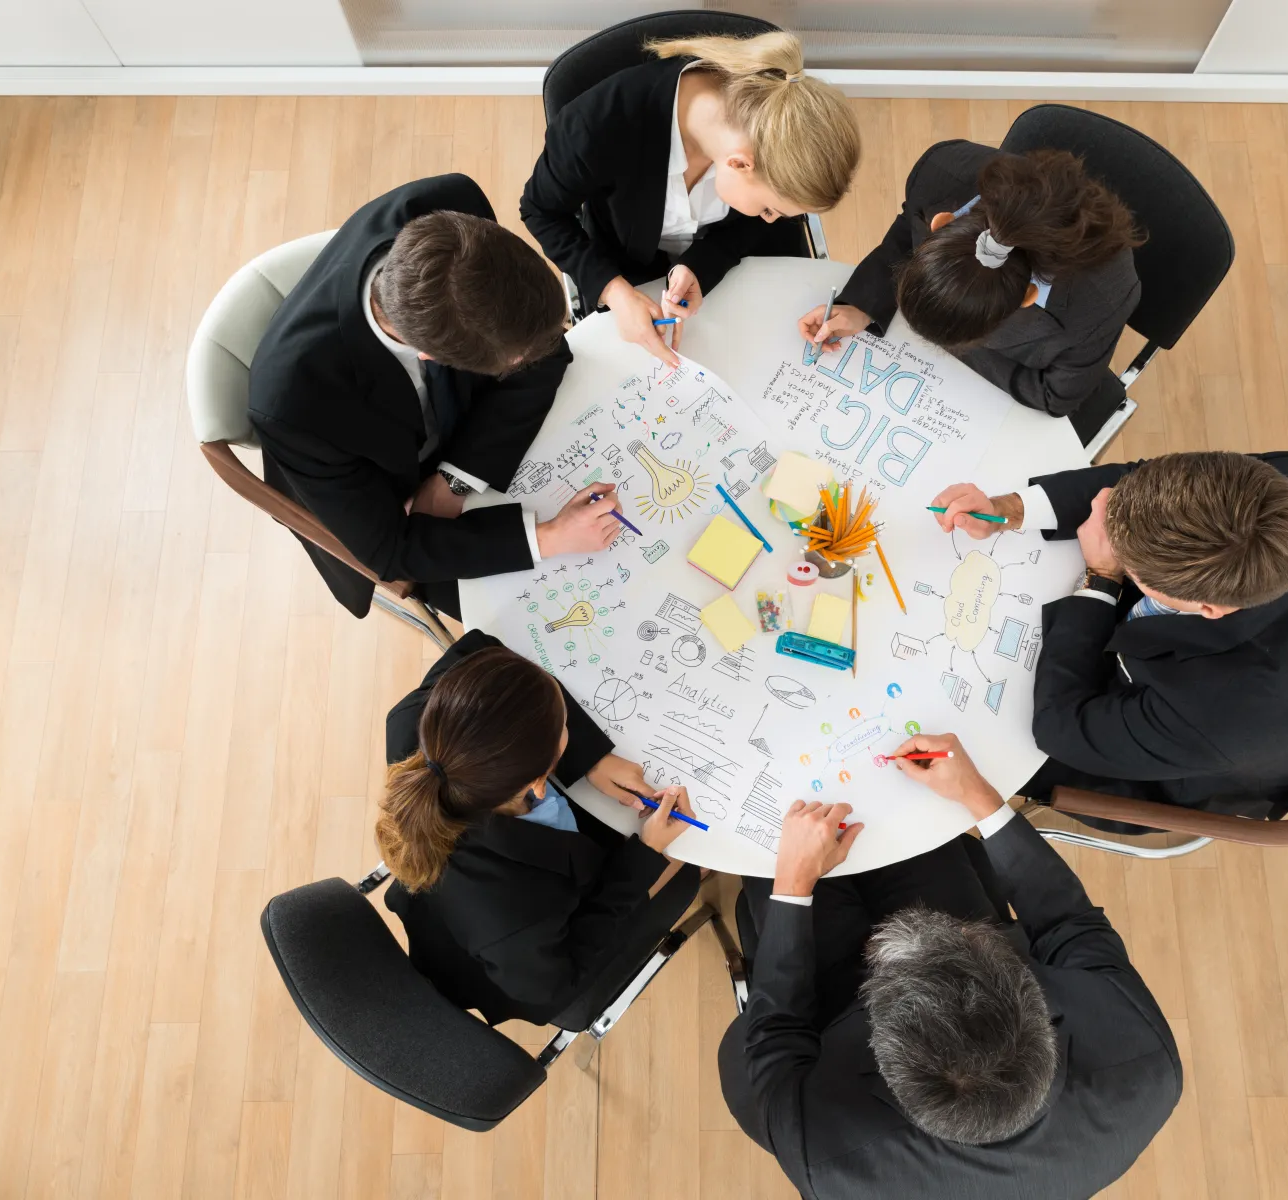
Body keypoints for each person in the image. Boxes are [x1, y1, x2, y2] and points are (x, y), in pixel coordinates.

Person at [718, 732, 1181, 1199]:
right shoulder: (1141, 1059)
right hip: (963, 928)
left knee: (771, 830)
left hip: (829, 1008)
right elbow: (1069, 923)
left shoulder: (830, 1161)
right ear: (1038, 1013)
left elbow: (776, 1029)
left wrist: (793, 883)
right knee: (906, 820)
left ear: (887, 1063)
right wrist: (978, 795)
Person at [249, 174, 626, 622]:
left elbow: (548, 352)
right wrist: (550, 538)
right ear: (431, 357)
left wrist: (453, 482)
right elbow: (390, 550)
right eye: (515, 358)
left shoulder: (448, 204)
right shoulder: (292, 404)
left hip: (461, 433)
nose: (532, 356)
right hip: (386, 496)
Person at [931, 450, 1288, 821]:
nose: (1101, 512)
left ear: (1207, 607)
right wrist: (1009, 510)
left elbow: (1059, 727)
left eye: (1128, 561)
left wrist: (1101, 578)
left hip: (1169, 761)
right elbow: (1138, 484)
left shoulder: (1214, 718)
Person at [377, 631, 701, 1025]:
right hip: (524, 964)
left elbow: (481, 648)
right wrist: (647, 852)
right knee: (684, 861)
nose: (570, 725)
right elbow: (554, 985)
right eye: (565, 726)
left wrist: (592, 758)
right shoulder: (517, 912)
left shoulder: (415, 723)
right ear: (535, 780)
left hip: (476, 904)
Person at [521, 31, 861, 368]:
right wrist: (615, 293)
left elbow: (752, 226)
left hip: (728, 260)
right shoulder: (596, 125)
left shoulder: (764, 128)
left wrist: (700, 264)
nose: (771, 219)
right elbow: (540, 211)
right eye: (769, 209)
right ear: (739, 163)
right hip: (625, 256)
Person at [801, 141, 1142, 422]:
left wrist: (950, 340)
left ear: (1027, 296)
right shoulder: (939, 174)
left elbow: (1055, 396)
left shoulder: (1105, 299)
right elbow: (908, 230)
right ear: (940, 223)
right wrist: (863, 304)